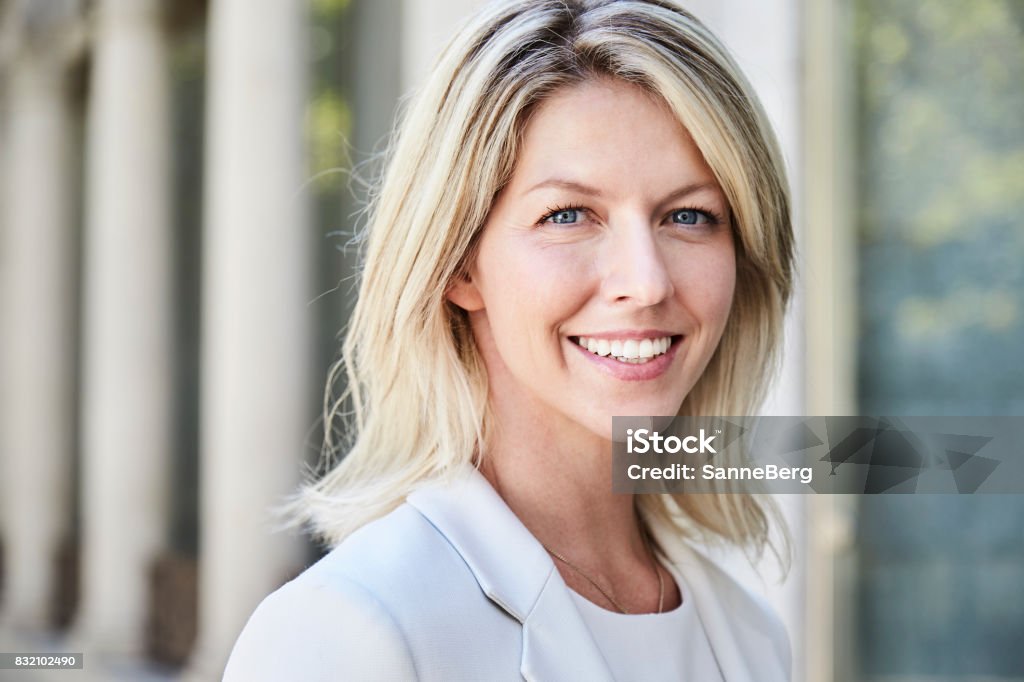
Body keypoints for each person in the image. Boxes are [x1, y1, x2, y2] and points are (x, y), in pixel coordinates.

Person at [224, 0, 795, 679]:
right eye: (569, 214)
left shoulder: (750, 635)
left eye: (690, 215)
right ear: (461, 264)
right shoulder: (345, 630)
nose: (646, 283)